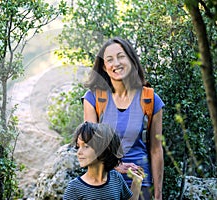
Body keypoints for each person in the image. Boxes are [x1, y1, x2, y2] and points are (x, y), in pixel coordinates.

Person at [82, 37, 164, 200]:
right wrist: (117, 166)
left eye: (121, 56)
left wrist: (158, 193)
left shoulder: (150, 99)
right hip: (104, 183)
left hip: (140, 185)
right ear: (104, 67)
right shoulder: (94, 99)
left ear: (131, 60)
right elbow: (90, 146)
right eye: (109, 60)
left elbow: (156, 149)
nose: (116, 63)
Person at [63, 122, 144, 200]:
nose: (79, 152)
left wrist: (137, 182)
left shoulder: (116, 178)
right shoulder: (74, 188)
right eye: (78, 146)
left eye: (86, 146)